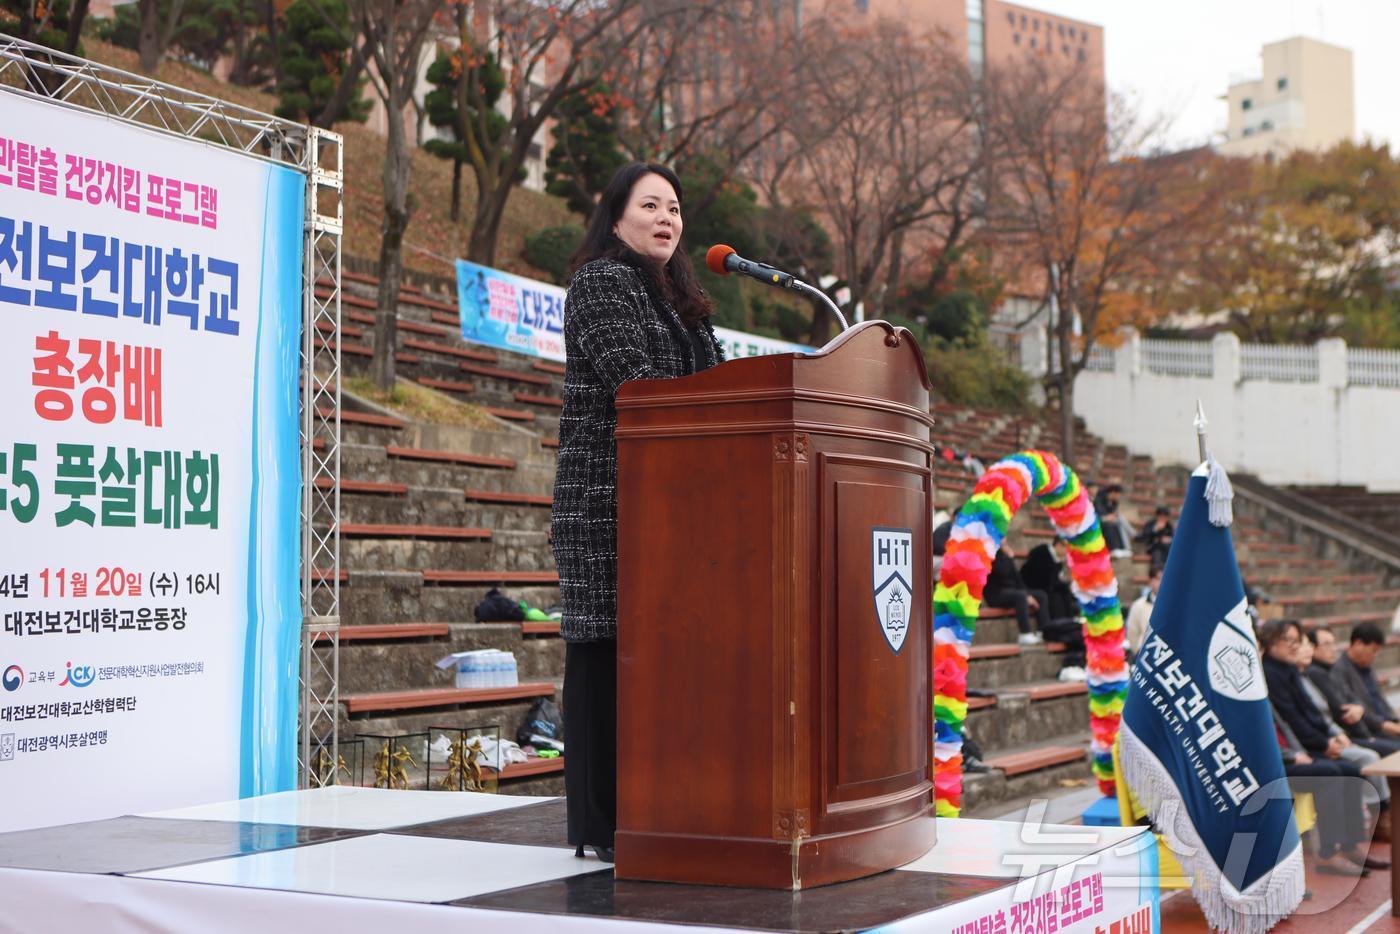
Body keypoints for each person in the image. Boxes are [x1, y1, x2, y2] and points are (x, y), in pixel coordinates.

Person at [551, 162, 723, 864]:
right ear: (615, 217)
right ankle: (601, 821)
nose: (667, 218)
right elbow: (639, 386)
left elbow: (716, 392)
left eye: (675, 208)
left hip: (680, 509)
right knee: (603, 658)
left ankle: (661, 807)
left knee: (664, 662)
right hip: (608, 504)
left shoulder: (682, 298)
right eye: (650, 205)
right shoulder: (601, 284)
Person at [1259, 619, 1388, 873]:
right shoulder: (1271, 674)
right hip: (1283, 759)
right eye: (1291, 641)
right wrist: (1302, 752)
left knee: (1351, 769)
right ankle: (1328, 853)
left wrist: (1326, 740)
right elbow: (1288, 720)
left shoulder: (1289, 670)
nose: (1296, 646)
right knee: (1331, 773)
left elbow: (1308, 712)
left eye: (1298, 641)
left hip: (1305, 748)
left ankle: (1350, 845)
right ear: (1272, 642)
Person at [1307, 626, 1400, 757]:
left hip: (1372, 726)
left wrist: (1394, 721)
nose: (1333, 649)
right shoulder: (1331, 671)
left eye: (1333, 643)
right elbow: (1342, 709)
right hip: (1359, 732)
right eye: (1327, 644)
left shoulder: (1362, 667)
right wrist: (1370, 734)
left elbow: (1362, 701)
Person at [1019, 539, 1087, 680]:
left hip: (1046, 587)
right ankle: (1052, 626)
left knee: (1066, 594)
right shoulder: (1041, 554)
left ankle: (1066, 622)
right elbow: (1042, 579)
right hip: (1032, 586)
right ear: (1058, 545)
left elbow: (1054, 581)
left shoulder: (1057, 560)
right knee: (1054, 596)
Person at [1331, 623, 1400, 740]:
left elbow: (1380, 700)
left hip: (1386, 723)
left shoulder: (1367, 668)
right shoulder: (1339, 671)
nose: (1375, 655)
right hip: (1370, 730)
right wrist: (1391, 727)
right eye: (1373, 650)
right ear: (1358, 644)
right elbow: (1359, 711)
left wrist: (1395, 721)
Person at [984, 542, 1050, 646]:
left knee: (1041, 595)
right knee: (1020, 596)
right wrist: (1009, 558)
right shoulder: (989, 553)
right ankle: (1025, 633)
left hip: (1012, 591)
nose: (1004, 540)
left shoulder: (1005, 555)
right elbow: (1002, 572)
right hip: (995, 594)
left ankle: (1043, 631)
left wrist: (1027, 594)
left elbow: (1017, 578)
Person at [1125, 566, 1162, 662]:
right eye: (1158, 579)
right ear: (1150, 581)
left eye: (1165, 578)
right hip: (1144, 657)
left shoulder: (1176, 604)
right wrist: (1138, 650)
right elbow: (1132, 633)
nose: (1162, 583)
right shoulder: (1138, 605)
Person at [1093, 483, 1132, 558]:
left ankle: (1123, 548)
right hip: (1099, 521)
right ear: (1113, 493)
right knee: (1115, 523)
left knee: (1119, 522)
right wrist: (1107, 517)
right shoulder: (1099, 499)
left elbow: (1113, 513)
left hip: (1109, 520)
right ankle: (1115, 548)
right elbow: (1098, 514)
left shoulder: (1114, 502)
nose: (1119, 497)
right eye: (1118, 494)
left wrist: (1112, 516)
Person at [1134, 506, 1174, 575]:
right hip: (1153, 546)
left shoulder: (1168, 526)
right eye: (1161, 516)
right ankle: (1158, 570)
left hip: (1165, 547)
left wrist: (1167, 539)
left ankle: (1167, 568)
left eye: (1165, 517)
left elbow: (1171, 536)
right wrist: (1156, 529)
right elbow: (1144, 535)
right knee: (1157, 552)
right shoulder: (1151, 524)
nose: (1163, 518)